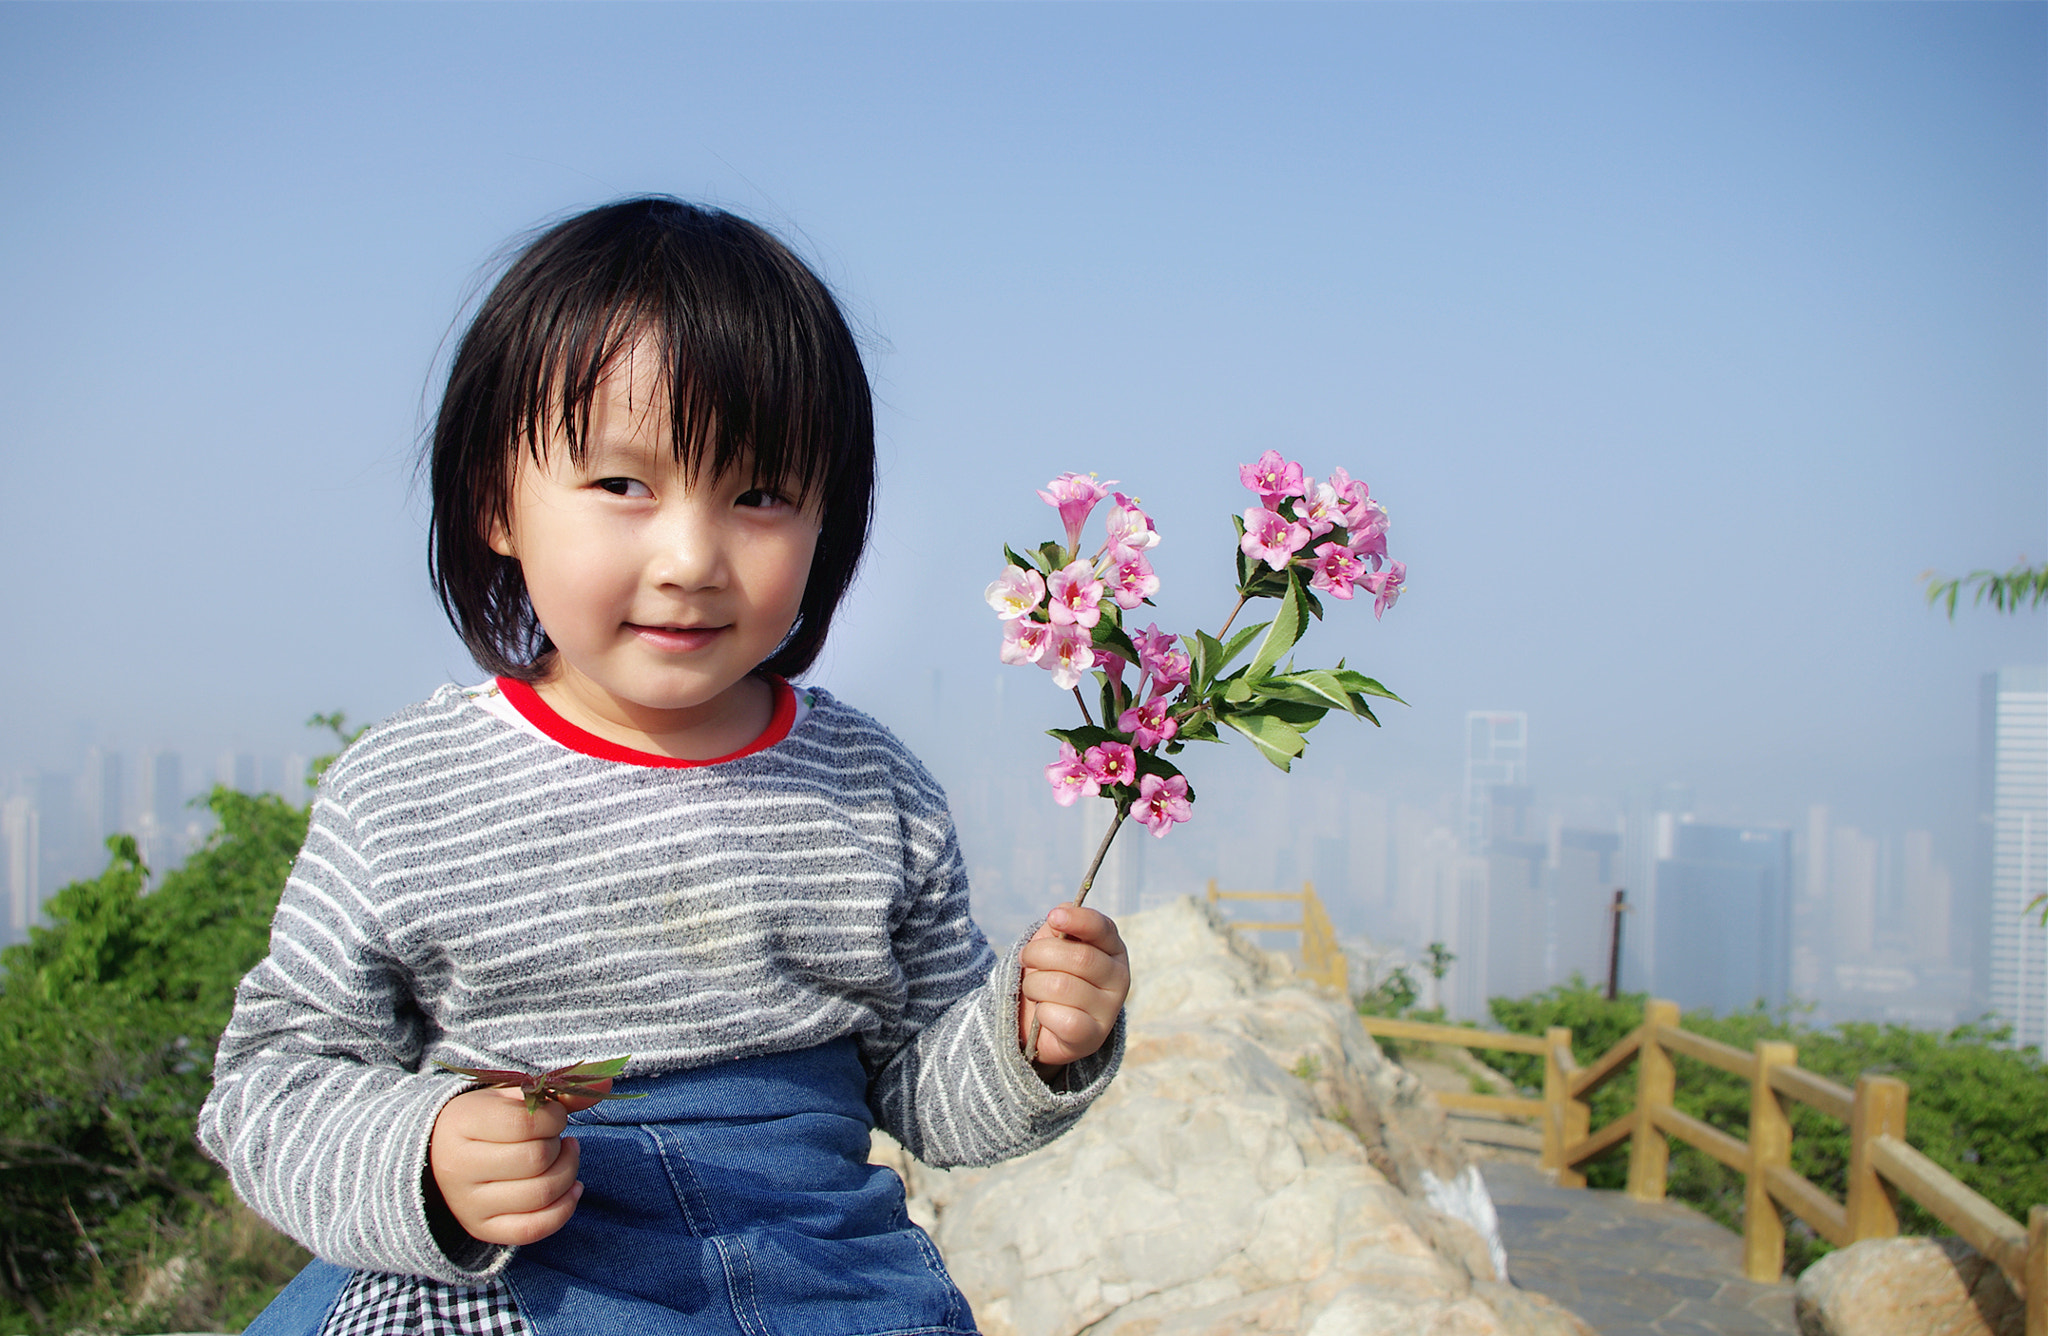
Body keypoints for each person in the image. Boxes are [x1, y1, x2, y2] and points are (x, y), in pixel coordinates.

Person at [198, 197, 1130, 1336]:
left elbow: (924, 1090)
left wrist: (1034, 1037)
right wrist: (426, 1152)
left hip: (820, 1280)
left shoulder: (866, 787)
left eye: (758, 495)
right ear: (496, 497)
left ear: (825, 520)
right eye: (623, 485)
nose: (691, 557)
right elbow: (270, 1082)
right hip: (517, 1275)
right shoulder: (406, 791)